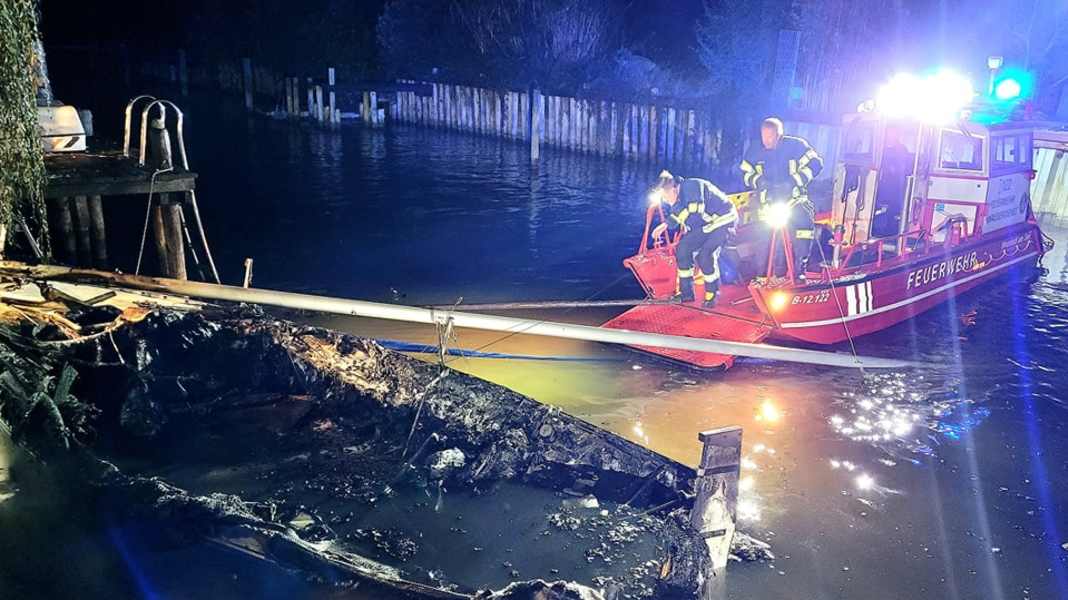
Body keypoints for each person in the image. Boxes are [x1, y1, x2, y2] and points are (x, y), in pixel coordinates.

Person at [739, 117, 823, 278]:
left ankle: (799, 271)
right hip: (768, 204)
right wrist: (759, 181)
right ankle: (762, 275)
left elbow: (816, 164)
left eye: (770, 136)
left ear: (779, 135)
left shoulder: (796, 146)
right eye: (764, 136)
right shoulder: (755, 150)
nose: (766, 140)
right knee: (764, 240)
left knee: (803, 231)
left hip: (794, 201)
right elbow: (744, 173)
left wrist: (793, 182)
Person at [650, 170, 738, 307]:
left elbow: (695, 211)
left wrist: (666, 224)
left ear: (673, 188)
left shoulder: (692, 185)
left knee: (705, 255)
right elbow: (683, 216)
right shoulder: (679, 199)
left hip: (724, 222)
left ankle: (712, 294)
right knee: (683, 249)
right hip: (706, 226)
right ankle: (686, 294)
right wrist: (666, 226)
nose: (666, 201)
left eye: (665, 196)